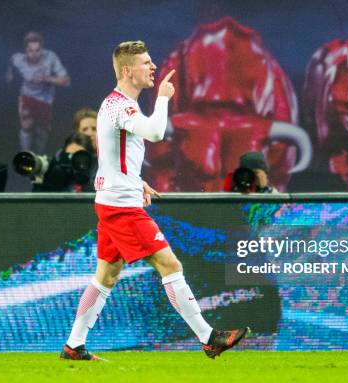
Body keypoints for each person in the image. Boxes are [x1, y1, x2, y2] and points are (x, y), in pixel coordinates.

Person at [60, 41, 249, 362]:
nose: (153, 67)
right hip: (121, 207)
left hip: (114, 200)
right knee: (170, 265)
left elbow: (112, 156)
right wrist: (162, 99)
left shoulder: (114, 104)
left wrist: (138, 181)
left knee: (105, 276)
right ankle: (209, 337)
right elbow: (156, 132)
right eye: (146, 63)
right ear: (126, 70)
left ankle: (74, 346)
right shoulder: (121, 106)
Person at [6, 31, 70, 153]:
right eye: (31, 50)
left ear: (42, 49)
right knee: (26, 125)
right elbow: (11, 61)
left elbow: (66, 81)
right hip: (27, 96)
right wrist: (9, 74)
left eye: (38, 50)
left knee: (42, 130)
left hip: (45, 99)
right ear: (25, 50)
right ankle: (25, 156)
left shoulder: (50, 57)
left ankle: (40, 156)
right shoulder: (18, 59)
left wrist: (46, 78)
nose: (34, 54)